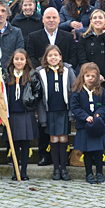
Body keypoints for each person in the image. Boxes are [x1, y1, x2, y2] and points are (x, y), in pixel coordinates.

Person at [76, 9, 105, 162]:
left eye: (101, 17)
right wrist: (93, 75)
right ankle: (90, 154)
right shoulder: (84, 38)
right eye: (95, 17)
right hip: (89, 81)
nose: (97, 20)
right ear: (90, 20)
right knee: (91, 118)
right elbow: (82, 58)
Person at [37, 45, 76, 181]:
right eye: (50, 55)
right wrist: (42, 117)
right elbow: (40, 97)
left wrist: (72, 112)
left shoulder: (68, 71)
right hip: (50, 111)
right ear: (45, 58)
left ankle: (64, 169)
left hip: (63, 110)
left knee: (63, 138)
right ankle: (55, 169)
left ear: (60, 57)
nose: (53, 58)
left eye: (56, 55)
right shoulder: (40, 72)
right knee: (53, 138)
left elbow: (74, 90)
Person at [3, 49, 42, 181]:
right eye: (16, 59)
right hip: (12, 114)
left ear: (26, 61)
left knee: (25, 144)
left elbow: (38, 91)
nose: (19, 61)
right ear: (12, 61)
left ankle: (24, 171)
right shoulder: (7, 75)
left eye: (22, 59)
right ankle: (15, 171)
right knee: (13, 144)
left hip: (26, 113)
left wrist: (31, 101)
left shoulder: (32, 74)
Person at [70, 62, 105, 184]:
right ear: (82, 76)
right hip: (84, 126)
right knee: (87, 152)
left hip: (97, 127)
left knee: (98, 152)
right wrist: (85, 116)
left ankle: (100, 173)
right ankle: (89, 174)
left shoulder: (102, 91)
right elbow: (75, 107)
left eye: (93, 76)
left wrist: (99, 114)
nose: (90, 78)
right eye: (87, 76)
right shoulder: (77, 92)